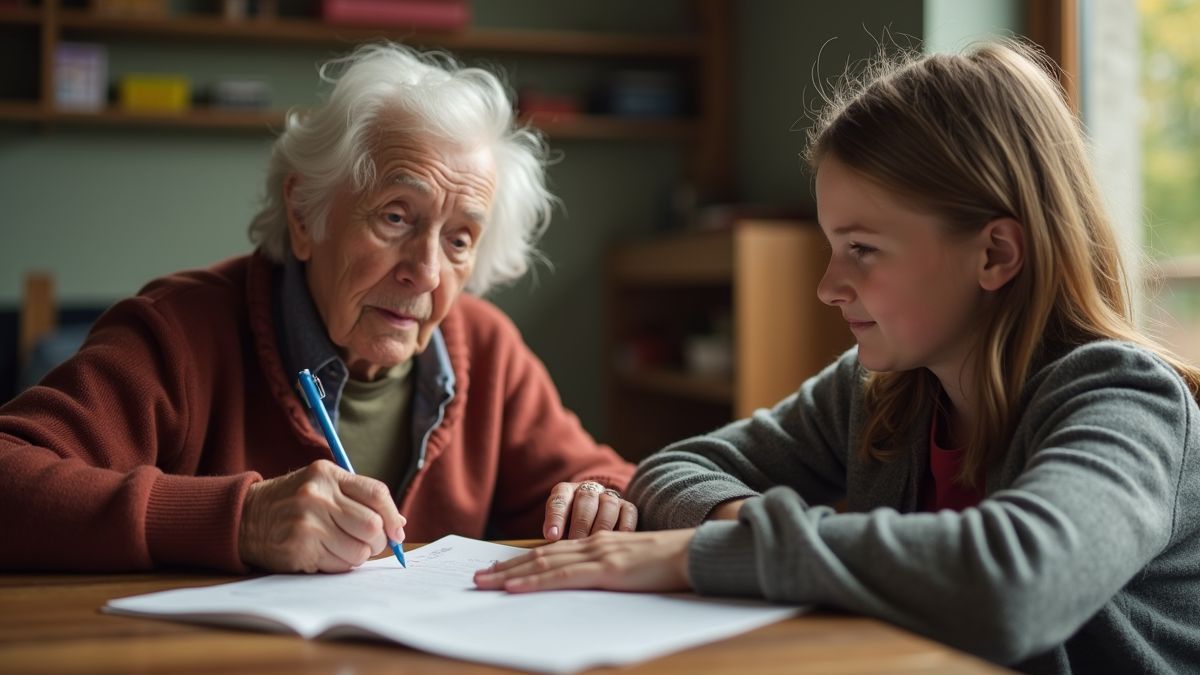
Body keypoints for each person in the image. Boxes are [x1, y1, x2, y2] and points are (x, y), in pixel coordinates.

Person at [474, 41, 1200, 673]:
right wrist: (744, 524)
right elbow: (670, 468)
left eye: (862, 249)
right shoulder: (882, 390)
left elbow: (1018, 584)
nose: (827, 285)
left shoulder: (1125, 400)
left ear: (994, 252)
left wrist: (701, 552)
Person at [0, 42, 637, 574]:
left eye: (459, 238)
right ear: (306, 215)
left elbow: (605, 480)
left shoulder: (487, 350)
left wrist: (598, 500)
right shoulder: (178, 333)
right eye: (395, 216)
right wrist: (240, 519)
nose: (426, 270)